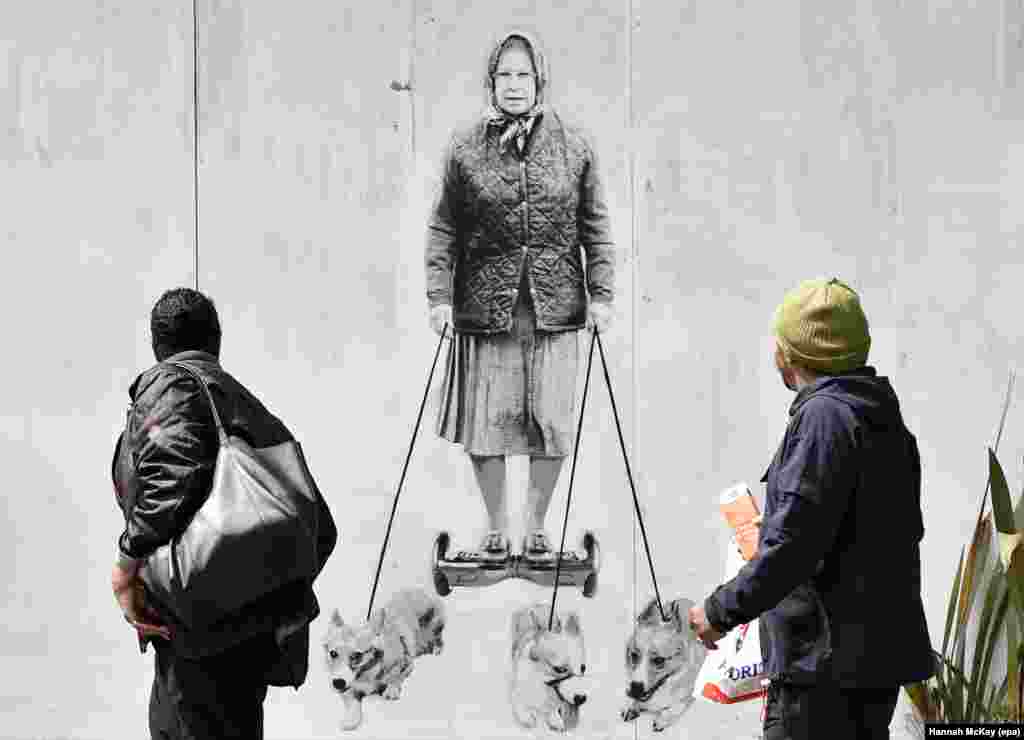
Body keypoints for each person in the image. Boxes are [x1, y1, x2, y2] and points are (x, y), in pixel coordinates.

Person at [688, 277, 935, 739]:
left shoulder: (823, 418)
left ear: (790, 355)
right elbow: (874, 532)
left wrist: (718, 611)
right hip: (869, 667)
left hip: (820, 672)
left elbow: (792, 550)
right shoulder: (879, 414)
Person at [110, 288, 337, 739]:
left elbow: (167, 482)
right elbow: (321, 529)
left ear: (156, 344)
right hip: (242, 635)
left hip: (199, 636)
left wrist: (126, 567)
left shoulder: (170, 384)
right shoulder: (249, 410)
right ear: (216, 341)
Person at [424, 30, 616, 563]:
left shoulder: (574, 147)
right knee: (488, 423)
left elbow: (594, 227)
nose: (513, 86)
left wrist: (601, 295)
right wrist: (439, 297)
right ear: (491, 82)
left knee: (550, 423)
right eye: (504, 76)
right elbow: (444, 228)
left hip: (555, 309)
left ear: (539, 82)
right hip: (486, 308)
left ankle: (534, 526)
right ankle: (495, 526)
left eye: (523, 76)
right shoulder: (465, 150)